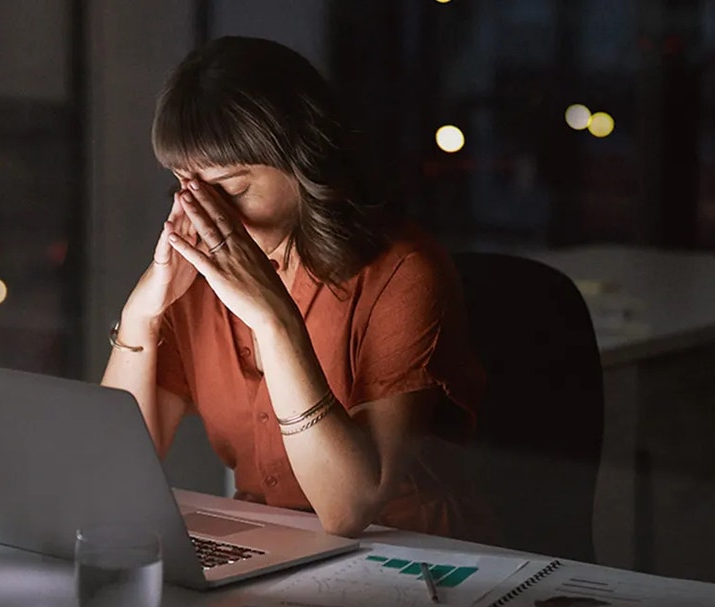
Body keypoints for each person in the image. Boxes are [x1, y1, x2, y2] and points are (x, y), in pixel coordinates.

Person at [101, 36, 498, 543]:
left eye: (231, 188)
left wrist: (272, 319)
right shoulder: (197, 281)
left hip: (413, 560)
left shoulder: (404, 273)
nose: (207, 211)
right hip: (273, 546)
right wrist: (142, 313)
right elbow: (114, 468)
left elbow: (348, 508)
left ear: (303, 161)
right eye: (186, 184)